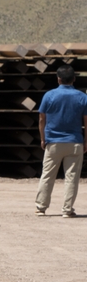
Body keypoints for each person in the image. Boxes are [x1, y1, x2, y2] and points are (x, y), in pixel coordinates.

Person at [35, 65, 87, 218]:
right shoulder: (82, 97)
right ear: (74, 79)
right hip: (75, 142)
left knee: (47, 175)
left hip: (54, 142)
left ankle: (41, 207)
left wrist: (43, 138)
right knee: (72, 177)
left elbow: (41, 118)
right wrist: (86, 141)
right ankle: (67, 210)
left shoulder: (49, 96)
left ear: (58, 79)